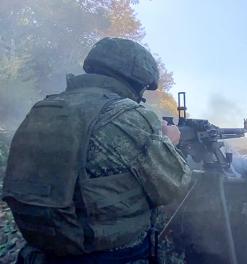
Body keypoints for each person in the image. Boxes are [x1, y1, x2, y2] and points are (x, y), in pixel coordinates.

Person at [2, 37, 191, 263]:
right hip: (111, 256)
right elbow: (174, 186)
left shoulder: (44, 108)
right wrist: (169, 142)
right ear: (137, 80)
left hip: (39, 251)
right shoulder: (129, 116)